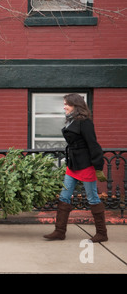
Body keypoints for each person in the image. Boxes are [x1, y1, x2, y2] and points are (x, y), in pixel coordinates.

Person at [44, 93, 108, 242]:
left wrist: (98, 167)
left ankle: (102, 234)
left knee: (92, 197)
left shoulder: (85, 123)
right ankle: (59, 231)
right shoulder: (72, 120)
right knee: (64, 196)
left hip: (86, 165)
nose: (64, 106)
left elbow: (93, 145)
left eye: (67, 104)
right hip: (72, 165)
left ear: (76, 105)